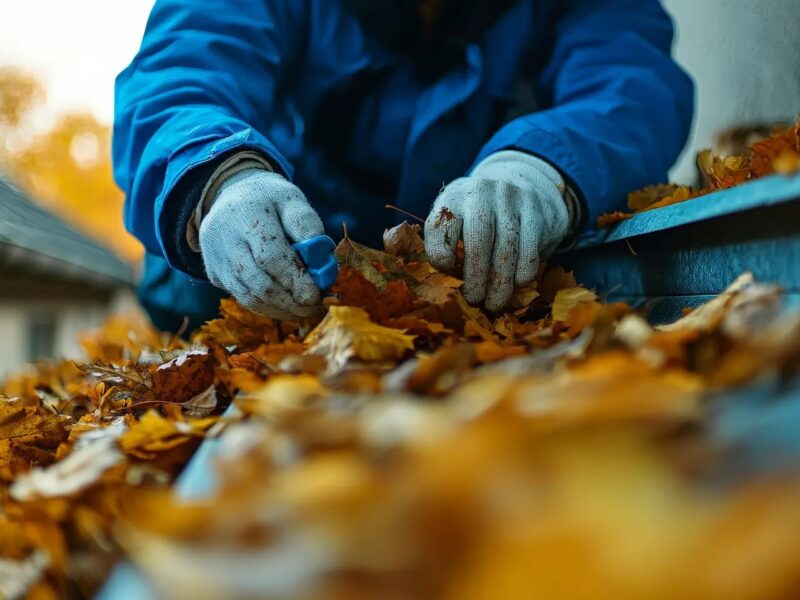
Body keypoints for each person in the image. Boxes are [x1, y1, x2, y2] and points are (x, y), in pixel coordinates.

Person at [113, 0, 693, 332]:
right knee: (188, 269)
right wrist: (221, 180)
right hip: (303, 238)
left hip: (483, 255)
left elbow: (631, 83)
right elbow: (181, 76)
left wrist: (542, 167)